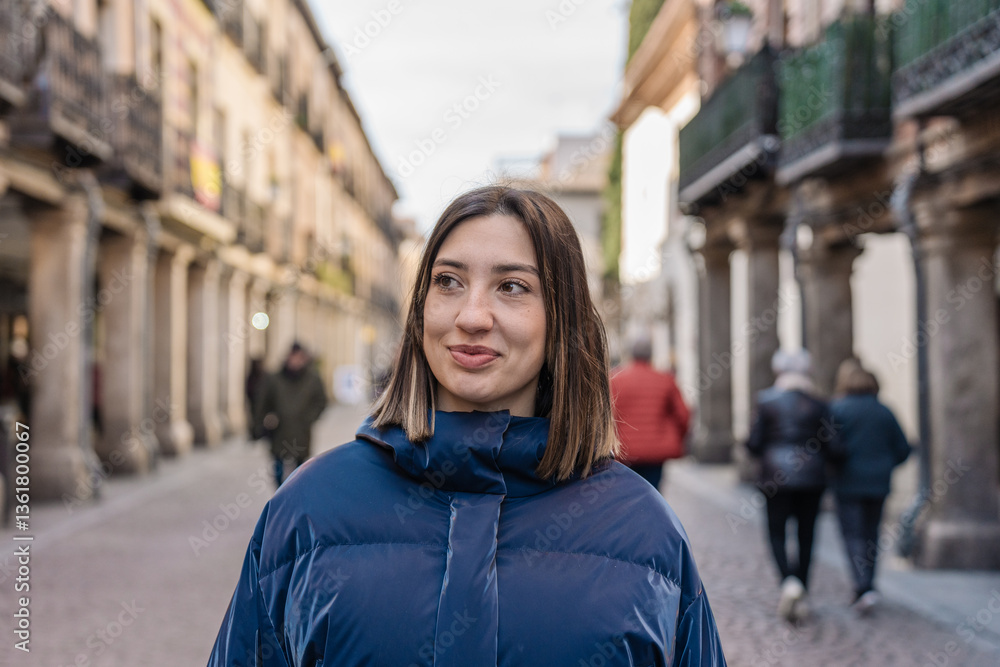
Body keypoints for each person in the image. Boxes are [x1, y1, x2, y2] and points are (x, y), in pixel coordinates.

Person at [209, 185, 726, 666]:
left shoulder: (645, 533)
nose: (473, 316)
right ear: (421, 311)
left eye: (512, 286)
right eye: (449, 282)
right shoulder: (307, 510)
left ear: (561, 319)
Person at [746, 349, 841, 623]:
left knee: (776, 531)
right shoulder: (818, 403)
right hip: (811, 477)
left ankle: (788, 581)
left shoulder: (766, 401)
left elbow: (754, 442)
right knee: (806, 533)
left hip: (775, 476)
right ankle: (802, 585)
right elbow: (833, 444)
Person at [830, 358, 911, 615]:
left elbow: (829, 448)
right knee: (871, 534)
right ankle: (869, 584)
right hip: (878, 483)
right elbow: (903, 447)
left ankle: (861, 585)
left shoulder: (838, 410)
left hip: (848, 483)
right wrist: (885, 465)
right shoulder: (883, 411)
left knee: (853, 535)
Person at [611, 335, 690, 491]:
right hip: (655, 453)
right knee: (653, 493)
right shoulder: (665, 380)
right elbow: (683, 415)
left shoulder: (615, 379)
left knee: (628, 495)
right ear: (651, 354)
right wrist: (676, 438)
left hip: (625, 452)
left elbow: (607, 417)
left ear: (631, 354)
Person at [253, 342, 328, 488]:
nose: (295, 361)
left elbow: (321, 401)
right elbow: (262, 402)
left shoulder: (312, 379)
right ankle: (280, 498)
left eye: (299, 358)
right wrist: (264, 421)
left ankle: (295, 499)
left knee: (300, 471)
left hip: (301, 432)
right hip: (279, 431)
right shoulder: (274, 379)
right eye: (293, 357)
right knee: (278, 469)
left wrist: (309, 418)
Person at [244, 357, 266, 441]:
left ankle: (259, 432)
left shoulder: (263, 375)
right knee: (253, 417)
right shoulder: (252, 376)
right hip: (253, 401)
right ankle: (254, 432)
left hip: (259, 402)